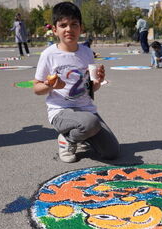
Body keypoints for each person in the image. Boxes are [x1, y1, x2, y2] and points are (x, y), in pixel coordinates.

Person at [33, 2, 119, 163]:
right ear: (54, 29)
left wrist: (98, 81)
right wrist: (50, 85)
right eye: (63, 25)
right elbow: (36, 88)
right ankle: (68, 140)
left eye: (74, 24)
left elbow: (90, 89)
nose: (69, 29)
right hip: (61, 112)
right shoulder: (49, 55)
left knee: (111, 152)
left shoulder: (86, 53)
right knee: (90, 123)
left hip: (86, 110)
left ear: (81, 27)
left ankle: (82, 134)